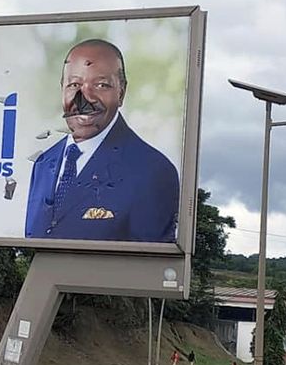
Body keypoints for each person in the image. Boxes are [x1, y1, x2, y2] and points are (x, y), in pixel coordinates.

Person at [25, 39, 179, 241]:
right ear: (62, 88)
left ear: (121, 92)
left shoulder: (152, 172)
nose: (85, 97)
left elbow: (148, 265)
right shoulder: (43, 164)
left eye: (101, 85)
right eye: (74, 85)